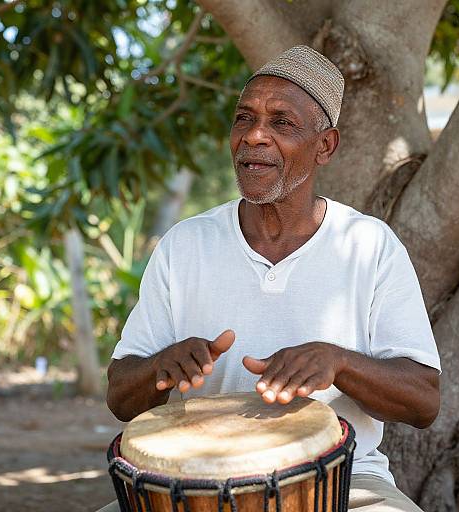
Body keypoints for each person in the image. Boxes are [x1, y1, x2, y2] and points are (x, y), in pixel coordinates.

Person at [104, 46, 441, 512]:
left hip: (344, 482)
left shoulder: (369, 246)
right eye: (244, 118)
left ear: (326, 145)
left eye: (281, 123)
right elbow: (120, 394)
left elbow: (423, 400)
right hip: (194, 488)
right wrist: (162, 366)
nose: (254, 136)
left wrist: (338, 362)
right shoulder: (186, 245)